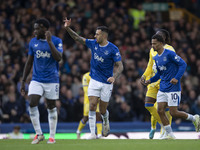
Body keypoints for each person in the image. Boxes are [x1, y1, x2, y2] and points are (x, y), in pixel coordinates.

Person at [64, 18, 123, 139]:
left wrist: (114, 77)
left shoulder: (113, 49)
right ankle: (92, 133)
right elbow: (78, 38)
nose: (95, 35)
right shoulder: (93, 43)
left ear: (103, 35)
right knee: (92, 105)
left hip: (106, 82)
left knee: (102, 110)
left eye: (97, 34)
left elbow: (120, 66)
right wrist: (67, 28)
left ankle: (105, 120)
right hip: (94, 79)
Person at [144, 34, 200, 139]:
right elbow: (159, 74)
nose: (153, 46)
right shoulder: (156, 57)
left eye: (155, 44)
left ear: (161, 43)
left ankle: (194, 118)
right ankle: (169, 134)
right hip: (163, 87)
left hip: (173, 88)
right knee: (160, 110)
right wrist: (150, 80)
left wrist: (177, 78)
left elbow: (183, 64)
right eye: (152, 44)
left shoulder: (169, 54)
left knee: (173, 112)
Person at [20, 18, 63, 144]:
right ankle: (39, 134)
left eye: (37, 28)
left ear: (44, 28)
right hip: (36, 79)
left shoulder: (56, 40)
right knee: (32, 102)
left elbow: (59, 58)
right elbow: (29, 62)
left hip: (52, 80)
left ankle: (52, 136)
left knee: (51, 106)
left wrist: (50, 42)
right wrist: (23, 80)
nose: (34, 31)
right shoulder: (33, 42)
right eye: (34, 28)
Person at [141, 29, 174, 139]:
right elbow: (150, 65)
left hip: (165, 81)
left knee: (164, 108)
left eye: (159, 36)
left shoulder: (169, 49)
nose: (156, 37)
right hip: (153, 80)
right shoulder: (152, 50)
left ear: (163, 38)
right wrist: (144, 75)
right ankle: (164, 126)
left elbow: (175, 65)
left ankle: (163, 132)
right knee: (148, 105)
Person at [76, 72, 102, 139]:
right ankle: (78, 131)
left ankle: (99, 135)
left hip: (97, 99)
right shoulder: (86, 76)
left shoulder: (99, 75)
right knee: (86, 118)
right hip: (88, 100)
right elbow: (86, 90)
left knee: (98, 115)